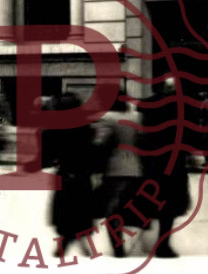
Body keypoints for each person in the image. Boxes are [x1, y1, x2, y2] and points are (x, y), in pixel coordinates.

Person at [44, 92, 102, 260]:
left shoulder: (55, 127)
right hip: (82, 175)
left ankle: (65, 247)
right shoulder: (86, 126)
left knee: (67, 214)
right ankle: (79, 248)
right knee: (80, 213)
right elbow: (93, 150)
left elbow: (47, 154)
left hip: (65, 174)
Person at [140, 77, 193, 258]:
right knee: (170, 206)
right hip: (173, 161)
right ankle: (162, 245)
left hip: (150, 160)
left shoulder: (147, 104)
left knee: (146, 200)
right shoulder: (181, 106)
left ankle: (136, 243)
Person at [95, 98, 142, 258]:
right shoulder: (135, 118)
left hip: (115, 170)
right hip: (135, 168)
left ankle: (118, 250)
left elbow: (99, 143)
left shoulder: (107, 118)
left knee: (112, 211)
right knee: (125, 209)